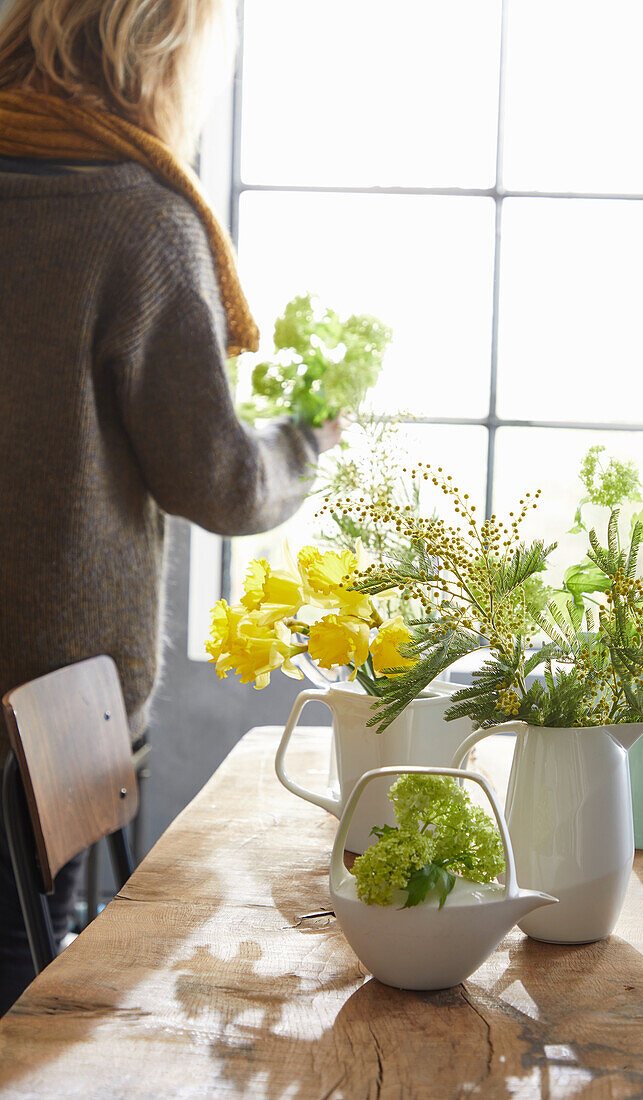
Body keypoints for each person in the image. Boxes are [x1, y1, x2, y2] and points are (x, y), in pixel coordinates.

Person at [0, 0, 340, 1013]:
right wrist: (302, 443)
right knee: (33, 996)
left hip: (42, 717)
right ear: (160, 50)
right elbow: (217, 481)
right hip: (50, 706)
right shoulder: (136, 215)